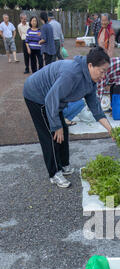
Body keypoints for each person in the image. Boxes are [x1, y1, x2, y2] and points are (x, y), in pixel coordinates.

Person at [23, 47, 113, 188]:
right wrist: (55, 125)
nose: (103, 76)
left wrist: (110, 129)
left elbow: (95, 107)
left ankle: (64, 165)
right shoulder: (71, 74)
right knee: (51, 133)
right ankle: (54, 173)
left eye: (105, 72)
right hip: (37, 96)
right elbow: (50, 99)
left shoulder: (91, 80)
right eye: (102, 71)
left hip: (54, 99)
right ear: (90, 65)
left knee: (63, 130)